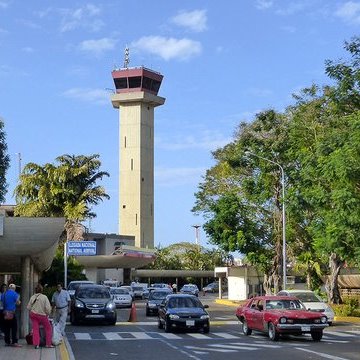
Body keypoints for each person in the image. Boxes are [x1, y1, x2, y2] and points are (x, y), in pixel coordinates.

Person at [27, 283, 54, 349]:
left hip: (33, 315)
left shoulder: (32, 297)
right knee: (48, 328)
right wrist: (48, 313)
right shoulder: (44, 297)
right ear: (41, 290)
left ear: (35, 290)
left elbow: (28, 307)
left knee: (35, 329)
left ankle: (36, 344)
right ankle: (48, 344)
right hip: (42, 315)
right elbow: (48, 308)